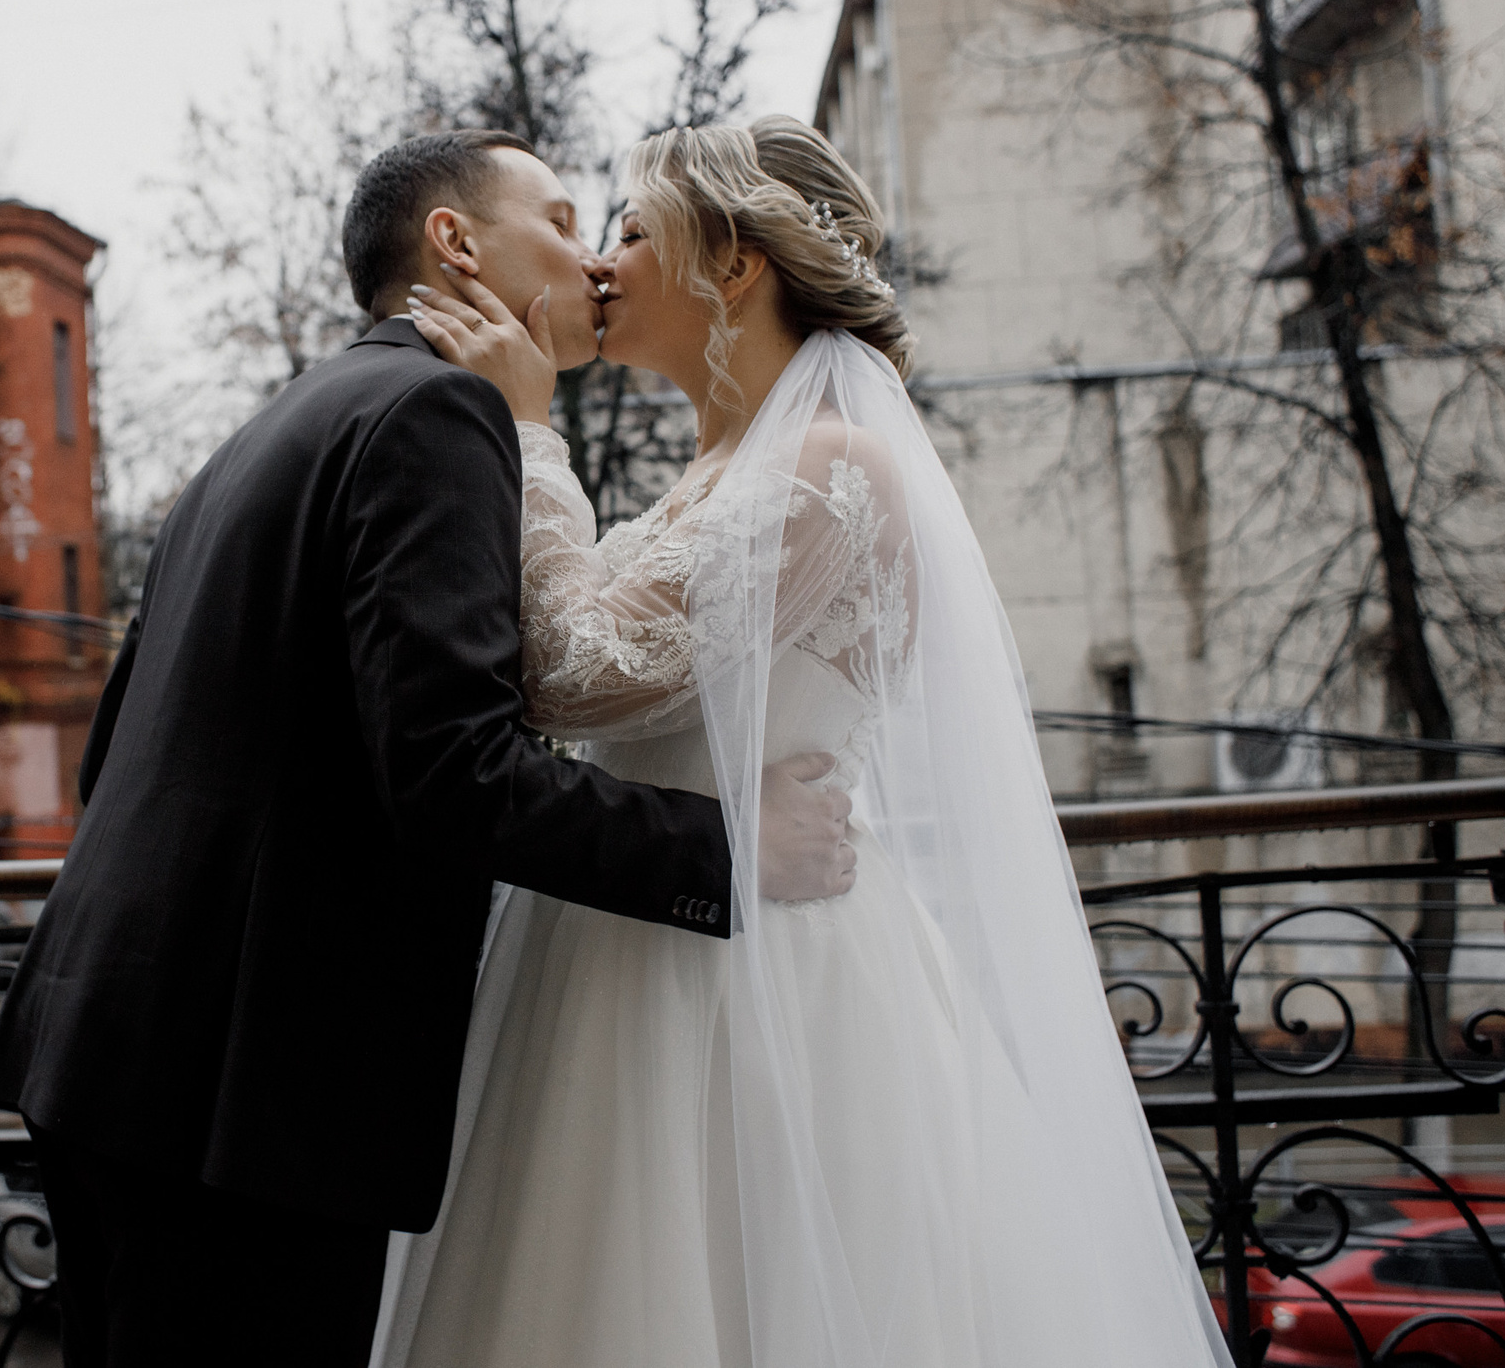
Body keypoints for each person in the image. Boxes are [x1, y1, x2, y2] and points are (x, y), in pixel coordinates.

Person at [0, 128, 858, 1368]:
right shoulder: (438, 413)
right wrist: (730, 842)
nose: (592, 260)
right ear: (454, 242)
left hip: (105, 1048)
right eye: (559, 219)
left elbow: (111, 754)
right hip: (249, 1096)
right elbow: (452, 775)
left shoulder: (281, 422)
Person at [388, 116, 1235, 1367]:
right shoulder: (706, 476)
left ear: (734, 266)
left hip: (753, 981)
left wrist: (528, 431)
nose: (603, 263)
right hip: (627, 937)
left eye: (629, 228)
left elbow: (567, 675)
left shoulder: (829, 470)